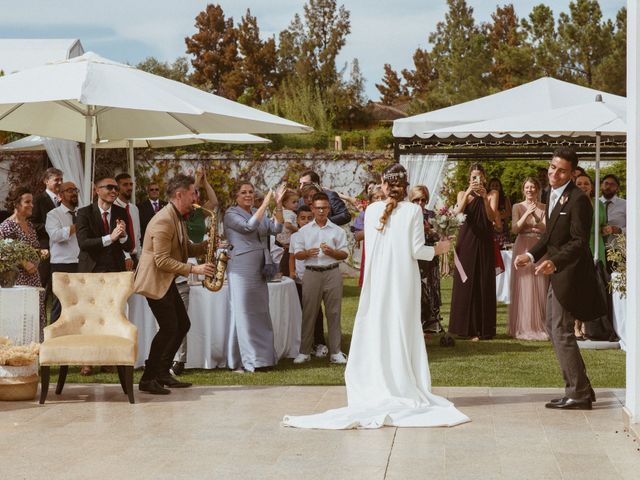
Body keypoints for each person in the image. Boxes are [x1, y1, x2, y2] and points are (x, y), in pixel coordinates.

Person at [283, 164, 469, 429]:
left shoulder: (370, 211)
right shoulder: (413, 211)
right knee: (402, 330)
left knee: (379, 328)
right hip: (403, 282)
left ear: (383, 185)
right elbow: (417, 250)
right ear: (405, 186)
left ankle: (379, 382)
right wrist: (440, 248)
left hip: (378, 282)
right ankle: (404, 383)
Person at [514, 147, 603, 410]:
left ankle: (578, 393)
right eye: (553, 167)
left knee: (560, 330)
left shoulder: (578, 200)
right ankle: (581, 388)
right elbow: (549, 236)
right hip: (557, 273)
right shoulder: (550, 194)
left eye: (562, 170)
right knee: (554, 328)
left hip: (571, 273)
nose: (554, 173)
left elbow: (578, 242)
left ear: (573, 173)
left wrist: (554, 261)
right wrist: (530, 256)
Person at [134, 174, 213, 394]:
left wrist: (206, 246)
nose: (195, 197)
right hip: (155, 281)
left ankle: (161, 373)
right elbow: (161, 260)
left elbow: (182, 248)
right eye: (192, 193)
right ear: (180, 194)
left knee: (182, 325)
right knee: (169, 327)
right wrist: (194, 269)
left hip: (166, 281)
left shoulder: (176, 216)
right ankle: (148, 378)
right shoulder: (163, 220)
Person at [223, 181, 285, 372]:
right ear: (236, 196)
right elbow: (249, 227)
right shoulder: (230, 214)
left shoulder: (258, 211)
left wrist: (279, 205)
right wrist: (265, 205)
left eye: (251, 191)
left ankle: (261, 358)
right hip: (240, 267)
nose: (248, 195)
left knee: (259, 312)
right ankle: (251, 361)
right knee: (243, 312)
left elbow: (277, 229)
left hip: (259, 266)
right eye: (243, 192)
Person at [76, 176, 131, 376]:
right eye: (109, 187)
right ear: (96, 190)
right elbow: (84, 243)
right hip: (91, 272)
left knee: (110, 316)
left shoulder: (120, 212)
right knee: (90, 317)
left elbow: (128, 244)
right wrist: (111, 237)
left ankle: (107, 358)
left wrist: (123, 235)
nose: (114, 190)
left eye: (116, 187)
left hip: (114, 272)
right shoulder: (84, 213)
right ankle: (87, 361)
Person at [292, 192, 349, 365]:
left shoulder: (338, 231)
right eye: (318, 208)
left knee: (334, 312)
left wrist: (332, 252)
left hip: (332, 271)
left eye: (324, 207)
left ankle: (336, 352)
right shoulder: (303, 231)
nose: (321, 211)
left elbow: (344, 253)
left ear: (329, 208)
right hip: (311, 273)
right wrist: (307, 253)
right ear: (312, 208)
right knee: (309, 313)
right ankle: (304, 351)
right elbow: (297, 254)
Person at [448, 163, 498, 340]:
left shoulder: (492, 194)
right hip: (466, 239)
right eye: (473, 177)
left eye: (479, 176)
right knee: (465, 280)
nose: (477, 179)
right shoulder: (463, 193)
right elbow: (457, 212)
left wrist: (484, 198)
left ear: (484, 177)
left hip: (484, 239)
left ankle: (483, 328)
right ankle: (462, 326)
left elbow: (492, 217)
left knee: (483, 279)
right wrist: (469, 192)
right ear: (469, 179)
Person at [507, 177, 549, 340]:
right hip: (522, 244)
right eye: (527, 187)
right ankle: (523, 325)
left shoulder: (545, 207)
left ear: (538, 189)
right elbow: (515, 229)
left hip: (539, 246)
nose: (530, 190)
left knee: (540, 283)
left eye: (533, 187)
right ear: (523, 190)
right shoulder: (517, 207)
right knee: (524, 283)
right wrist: (527, 214)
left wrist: (536, 216)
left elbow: (546, 229)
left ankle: (540, 323)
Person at [0, 187, 45, 337]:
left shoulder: (31, 226)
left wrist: (39, 257)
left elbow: (34, 249)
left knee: (35, 315)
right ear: (17, 204)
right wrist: (24, 263)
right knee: (20, 317)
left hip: (34, 278)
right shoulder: (7, 226)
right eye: (27, 202)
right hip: (16, 280)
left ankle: (35, 351)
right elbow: (3, 252)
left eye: (32, 202)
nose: (32, 205)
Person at [574, 173, 610, 340]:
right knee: (581, 288)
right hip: (581, 246)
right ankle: (577, 326)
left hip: (598, 246)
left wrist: (606, 229)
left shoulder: (599, 204)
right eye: (579, 183)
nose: (583, 186)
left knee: (596, 287)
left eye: (586, 183)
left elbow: (602, 224)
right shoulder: (573, 203)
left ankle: (593, 327)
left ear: (591, 185)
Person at [30, 167, 63, 322]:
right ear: (46, 181)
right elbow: (32, 224)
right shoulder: (38, 200)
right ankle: (37, 323)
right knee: (42, 289)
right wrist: (52, 228)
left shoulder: (64, 200)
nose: (60, 182)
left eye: (61, 179)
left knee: (58, 290)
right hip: (45, 250)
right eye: (57, 179)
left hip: (62, 253)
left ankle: (56, 324)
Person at [409, 185, 443, 334]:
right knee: (416, 290)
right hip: (414, 257)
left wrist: (430, 230)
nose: (420, 203)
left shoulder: (431, 215)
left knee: (431, 289)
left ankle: (431, 322)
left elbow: (440, 236)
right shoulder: (408, 214)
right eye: (416, 200)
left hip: (430, 256)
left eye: (423, 200)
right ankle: (416, 322)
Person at [45, 181, 80, 323]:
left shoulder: (82, 213)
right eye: (69, 190)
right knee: (59, 304)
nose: (73, 193)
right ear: (60, 196)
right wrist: (75, 227)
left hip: (80, 263)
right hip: (61, 264)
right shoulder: (53, 215)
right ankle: (53, 339)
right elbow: (55, 236)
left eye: (75, 190)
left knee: (78, 304)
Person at [351, 185, 385, 287]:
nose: (379, 200)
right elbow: (357, 236)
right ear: (370, 200)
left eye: (382, 197)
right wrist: (374, 228)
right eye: (376, 197)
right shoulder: (364, 215)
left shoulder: (392, 213)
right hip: (371, 253)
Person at [114, 173, 141, 270]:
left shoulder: (134, 209)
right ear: (117, 188)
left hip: (135, 257)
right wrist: (127, 257)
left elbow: (137, 236)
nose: (129, 187)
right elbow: (117, 237)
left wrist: (140, 258)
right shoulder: (113, 208)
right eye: (125, 185)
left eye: (131, 184)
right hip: (120, 258)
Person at [185, 168, 218, 243]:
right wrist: (198, 179)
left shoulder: (200, 211)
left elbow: (214, 202)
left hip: (197, 251)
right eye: (192, 194)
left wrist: (205, 182)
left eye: (195, 194)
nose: (193, 197)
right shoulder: (180, 211)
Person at [275, 189, 300, 276]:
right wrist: (299, 231)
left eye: (297, 202)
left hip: (281, 239)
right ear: (285, 203)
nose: (296, 204)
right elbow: (288, 225)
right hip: (287, 239)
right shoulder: (289, 213)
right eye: (294, 202)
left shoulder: (285, 212)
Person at [599, 174, 626, 250]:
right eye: (606, 183)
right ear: (601, 185)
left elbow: (634, 227)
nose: (608, 187)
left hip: (618, 249)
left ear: (617, 188)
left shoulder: (626, 205)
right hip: (598, 249)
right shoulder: (595, 204)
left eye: (612, 184)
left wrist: (620, 230)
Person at [488, 177, 512, 249]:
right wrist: (499, 214)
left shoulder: (505, 199)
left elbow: (508, 213)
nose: (495, 187)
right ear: (489, 187)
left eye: (497, 185)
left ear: (500, 187)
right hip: (491, 228)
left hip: (503, 229)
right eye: (493, 185)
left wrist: (495, 215)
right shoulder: (487, 198)